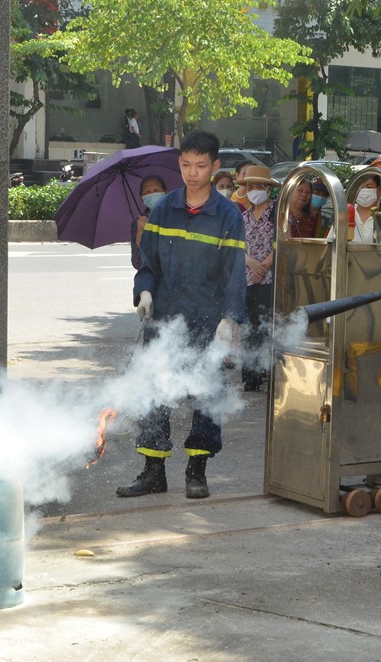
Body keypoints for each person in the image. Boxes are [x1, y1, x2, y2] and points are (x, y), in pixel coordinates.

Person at [120, 130, 247, 500]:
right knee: (154, 393)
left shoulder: (228, 216)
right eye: (187, 165)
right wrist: (143, 290)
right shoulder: (164, 209)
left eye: (202, 166)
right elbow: (149, 263)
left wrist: (230, 318)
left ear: (216, 166)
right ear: (180, 164)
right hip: (164, 319)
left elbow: (234, 273)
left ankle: (197, 471)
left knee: (205, 396)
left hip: (207, 322)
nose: (193, 173)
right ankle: (153, 471)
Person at [236, 165, 278, 391]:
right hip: (248, 277)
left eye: (255, 186)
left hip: (270, 278)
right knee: (249, 329)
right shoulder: (243, 217)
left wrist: (264, 265)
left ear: (266, 188)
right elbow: (237, 247)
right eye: (248, 186)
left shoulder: (277, 213)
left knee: (268, 327)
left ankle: (270, 375)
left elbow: (283, 242)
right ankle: (250, 377)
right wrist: (251, 263)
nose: (251, 190)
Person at [129, 175, 167, 270]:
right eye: (147, 192)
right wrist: (140, 234)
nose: (152, 194)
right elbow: (137, 263)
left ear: (165, 192)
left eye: (156, 190)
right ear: (142, 197)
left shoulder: (176, 216)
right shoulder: (138, 224)